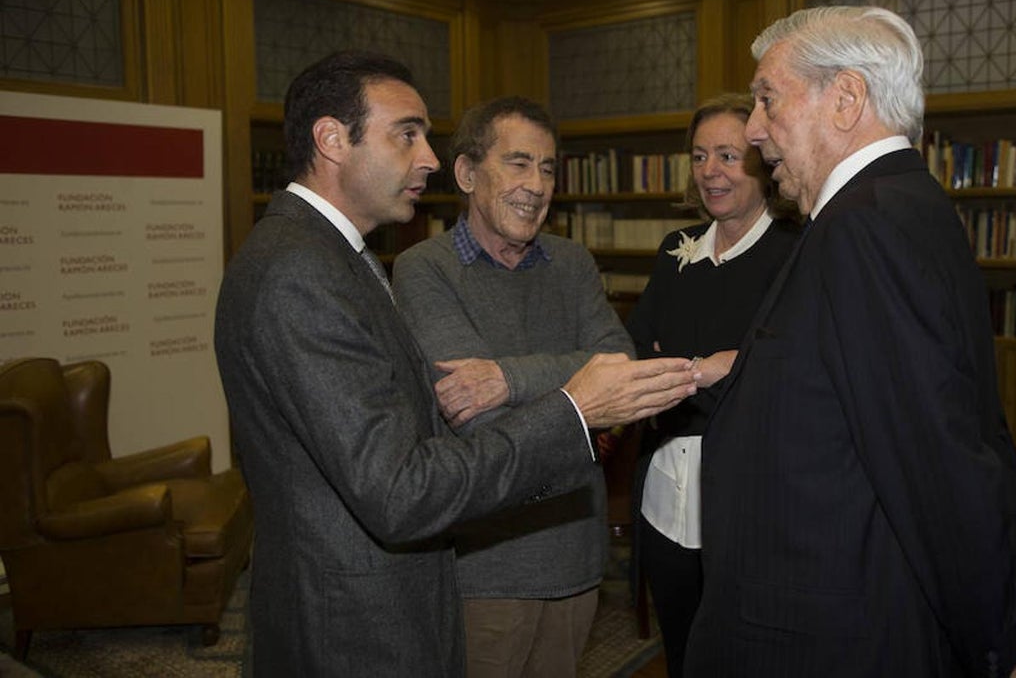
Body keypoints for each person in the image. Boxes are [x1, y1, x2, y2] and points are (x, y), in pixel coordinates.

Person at [213, 50, 699, 678]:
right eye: (407, 134)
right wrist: (576, 406)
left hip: (377, 600)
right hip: (352, 624)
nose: (430, 159)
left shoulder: (326, 256)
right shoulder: (301, 271)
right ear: (332, 139)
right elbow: (401, 488)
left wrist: (508, 382)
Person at [682, 6, 1016, 677]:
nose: (754, 128)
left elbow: (935, 455)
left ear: (847, 98)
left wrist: (1001, 635)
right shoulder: (903, 203)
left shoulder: (863, 229)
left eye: (767, 98)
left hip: (827, 633)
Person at [391, 96, 634, 678]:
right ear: (468, 174)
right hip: (484, 565)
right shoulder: (424, 268)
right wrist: (582, 392)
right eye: (519, 163)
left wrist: (507, 377)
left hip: (576, 552)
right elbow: (471, 413)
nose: (537, 185)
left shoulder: (572, 263)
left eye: (548, 168)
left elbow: (621, 365)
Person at [623, 93, 803, 678]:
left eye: (728, 154)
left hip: (750, 497)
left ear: (761, 161)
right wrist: (709, 369)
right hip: (662, 498)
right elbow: (638, 353)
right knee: (682, 655)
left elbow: (782, 378)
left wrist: (682, 371)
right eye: (699, 156)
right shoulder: (674, 253)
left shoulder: (796, 253)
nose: (710, 171)